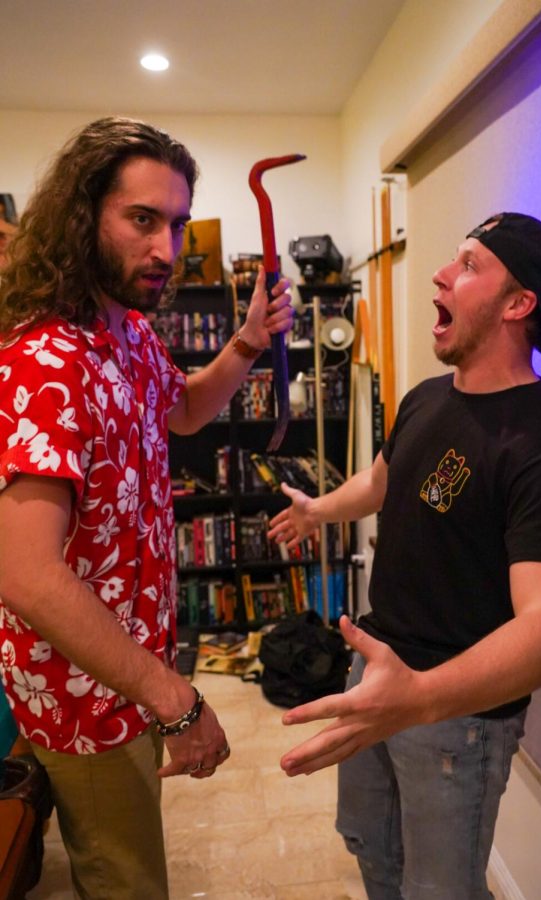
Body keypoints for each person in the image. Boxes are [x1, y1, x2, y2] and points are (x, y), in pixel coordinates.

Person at [0, 116, 292, 899]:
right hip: (89, 692)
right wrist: (174, 698)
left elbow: (186, 411)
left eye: (176, 223)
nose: (166, 249)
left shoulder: (124, 333)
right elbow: (25, 574)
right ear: (81, 215)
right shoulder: (46, 362)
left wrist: (247, 341)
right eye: (141, 220)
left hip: (116, 671)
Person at [268, 212, 541, 900]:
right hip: (378, 670)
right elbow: (381, 481)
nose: (442, 275)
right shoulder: (426, 398)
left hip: (456, 720)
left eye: (470, 264)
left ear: (517, 304)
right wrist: (317, 510)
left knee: (438, 890)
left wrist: (417, 699)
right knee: (371, 851)